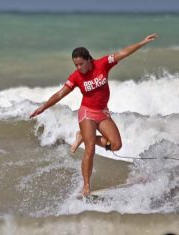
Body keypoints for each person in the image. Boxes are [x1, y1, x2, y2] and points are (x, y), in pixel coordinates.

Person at [30, 33, 158, 196]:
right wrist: (43, 107)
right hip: (87, 114)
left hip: (102, 113)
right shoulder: (76, 77)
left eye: (81, 64)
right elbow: (60, 94)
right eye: (75, 65)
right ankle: (86, 186)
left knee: (116, 145)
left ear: (88, 59)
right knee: (90, 149)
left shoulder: (103, 64)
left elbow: (123, 53)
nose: (78, 68)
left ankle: (83, 136)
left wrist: (142, 42)